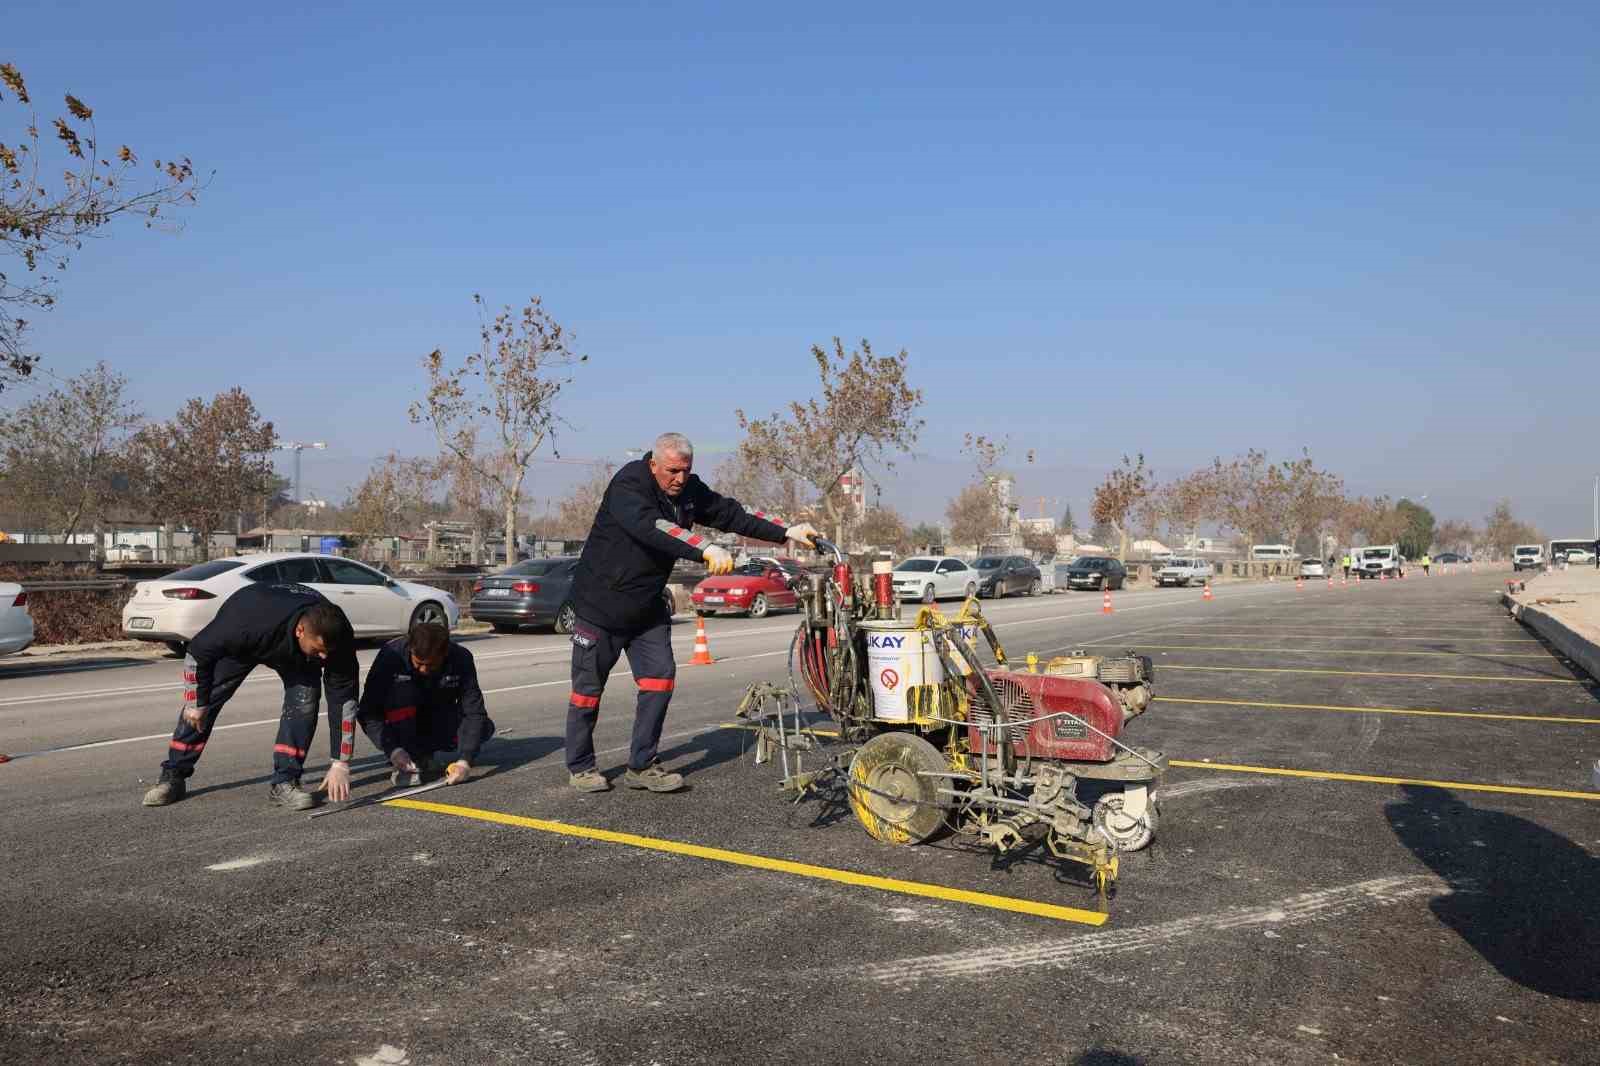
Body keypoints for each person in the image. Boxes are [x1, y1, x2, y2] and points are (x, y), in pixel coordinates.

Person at [564, 432, 818, 793]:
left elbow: (731, 512)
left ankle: (642, 765)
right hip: (600, 605)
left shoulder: (688, 489)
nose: (679, 479)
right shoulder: (628, 485)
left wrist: (786, 530)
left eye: (685, 471)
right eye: (671, 471)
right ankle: (581, 766)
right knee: (587, 692)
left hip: (646, 607)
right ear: (653, 463)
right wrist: (705, 549)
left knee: (660, 680)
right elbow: (655, 527)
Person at [142, 582, 360, 810]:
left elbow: (345, 699)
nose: (324, 657)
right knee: (205, 701)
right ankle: (173, 775)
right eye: (318, 650)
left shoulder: (338, 636)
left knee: (305, 704)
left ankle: (284, 782)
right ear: (300, 631)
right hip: (249, 640)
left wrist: (340, 763)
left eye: (328, 652)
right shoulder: (245, 623)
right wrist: (195, 703)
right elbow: (198, 652)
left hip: (295, 657)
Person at [358, 620, 494, 786]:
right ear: (410, 648)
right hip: (401, 721)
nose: (423, 670)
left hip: (436, 715)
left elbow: (474, 711)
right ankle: (408, 755)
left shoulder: (461, 658)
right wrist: (392, 749)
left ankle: (424, 753)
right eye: (418, 663)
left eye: (430, 665)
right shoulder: (391, 656)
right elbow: (368, 711)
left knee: (484, 727)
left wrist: (466, 760)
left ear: (445, 653)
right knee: (402, 693)